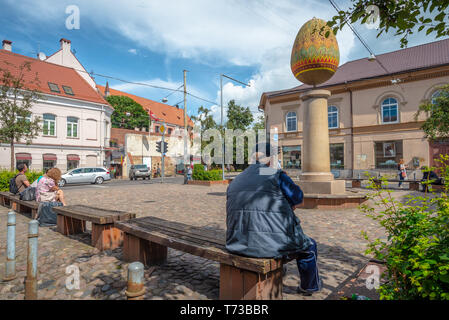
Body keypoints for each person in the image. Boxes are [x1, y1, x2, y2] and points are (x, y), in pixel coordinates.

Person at [226, 142, 322, 296]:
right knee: (309, 246)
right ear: (271, 159)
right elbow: (299, 200)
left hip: (237, 242)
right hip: (270, 245)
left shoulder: (237, 179)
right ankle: (309, 287)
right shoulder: (276, 175)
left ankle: (279, 272)